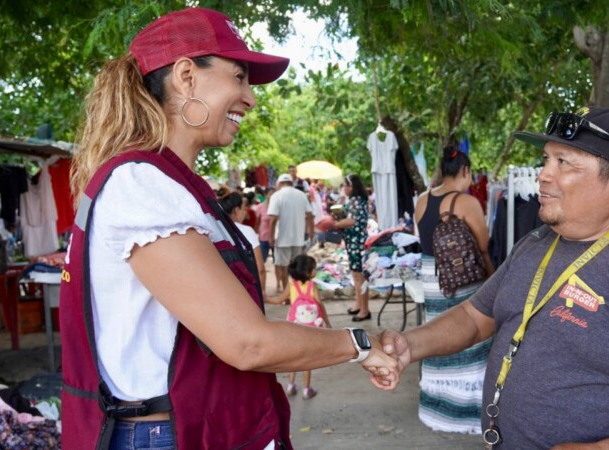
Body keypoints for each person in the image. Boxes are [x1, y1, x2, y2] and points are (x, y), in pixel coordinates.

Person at [60, 7, 397, 450]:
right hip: (164, 435)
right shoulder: (139, 184)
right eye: (238, 77)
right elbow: (247, 344)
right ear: (186, 76)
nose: (250, 98)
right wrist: (360, 343)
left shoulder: (172, 184)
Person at [378, 106, 609, 448]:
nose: (543, 174)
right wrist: (412, 345)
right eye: (546, 159)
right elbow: (474, 318)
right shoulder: (535, 243)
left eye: (564, 163)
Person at [410, 144, 495, 434]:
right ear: (466, 171)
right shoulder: (466, 203)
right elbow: (482, 247)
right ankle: (471, 414)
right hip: (462, 281)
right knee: (470, 337)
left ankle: (439, 410)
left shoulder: (422, 200)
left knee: (440, 335)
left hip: (433, 280)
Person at [265, 254, 330, 399]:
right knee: (307, 358)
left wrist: (266, 299)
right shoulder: (313, 286)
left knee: (293, 356)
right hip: (310, 329)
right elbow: (320, 305)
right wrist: (327, 321)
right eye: (314, 268)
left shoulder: (292, 285)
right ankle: (307, 389)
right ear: (308, 272)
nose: (316, 271)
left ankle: (290, 385)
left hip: (294, 326)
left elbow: (279, 300)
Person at [332, 174, 371, 321]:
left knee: (360, 276)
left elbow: (351, 221)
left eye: (345, 185)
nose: (343, 188)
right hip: (355, 241)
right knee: (356, 275)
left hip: (357, 242)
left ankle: (364, 309)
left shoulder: (355, 201)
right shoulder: (356, 200)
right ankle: (359, 305)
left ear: (351, 186)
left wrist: (335, 225)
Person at [217, 186, 267, 295]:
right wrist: (261, 291)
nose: (245, 212)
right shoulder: (247, 231)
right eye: (243, 209)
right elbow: (260, 269)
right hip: (247, 290)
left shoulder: (216, 231)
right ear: (236, 210)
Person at [268, 174, 314, 292]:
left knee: (283, 267)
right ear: (291, 183)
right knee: (298, 267)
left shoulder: (276, 196)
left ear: (279, 184)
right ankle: (298, 292)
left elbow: (272, 219)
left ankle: (286, 293)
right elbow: (310, 215)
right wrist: (311, 232)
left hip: (282, 238)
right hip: (298, 238)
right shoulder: (302, 195)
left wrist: (271, 237)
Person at [255, 187, 275, 267]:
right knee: (262, 261)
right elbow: (257, 222)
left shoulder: (278, 207)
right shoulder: (260, 207)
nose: (273, 196)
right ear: (266, 195)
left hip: (276, 238)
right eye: (271, 194)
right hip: (263, 237)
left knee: (277, 262)